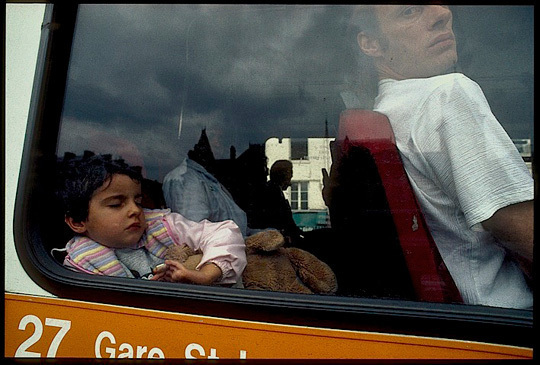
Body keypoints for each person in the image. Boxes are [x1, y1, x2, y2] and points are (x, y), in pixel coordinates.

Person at [348, 5, 534, 308]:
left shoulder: (388, 112)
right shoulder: (447, 94)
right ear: (372, 44)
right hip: (507, 322)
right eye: (410, 11)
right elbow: (524, 231)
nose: (441, 14)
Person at [56, 153, 246, 286]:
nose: (135, 210)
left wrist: (205, 275)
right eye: (116, 204)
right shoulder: (79, 265)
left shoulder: (159, 226)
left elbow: (225, 233)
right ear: (78, 222)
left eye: (137, 201)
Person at [251, 160, 304, 245]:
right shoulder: (272, 192)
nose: (290, 182)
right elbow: (283, 222)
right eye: (290, 175)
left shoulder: (273, 191)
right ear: (283, 175)